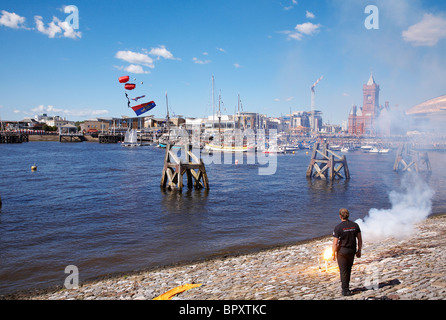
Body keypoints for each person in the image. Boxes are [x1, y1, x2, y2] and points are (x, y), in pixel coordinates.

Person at [332, 208, 362, 296]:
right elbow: (360, 239)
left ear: (340, 216)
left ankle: (345, 290)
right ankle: (346, 288)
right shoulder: (355, 225)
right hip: (351, 251)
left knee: (343, 270)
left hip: (342, 252)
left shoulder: (338, 227)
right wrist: (359, 250)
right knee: (348, 269)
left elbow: (335, 243)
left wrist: (333, 253)